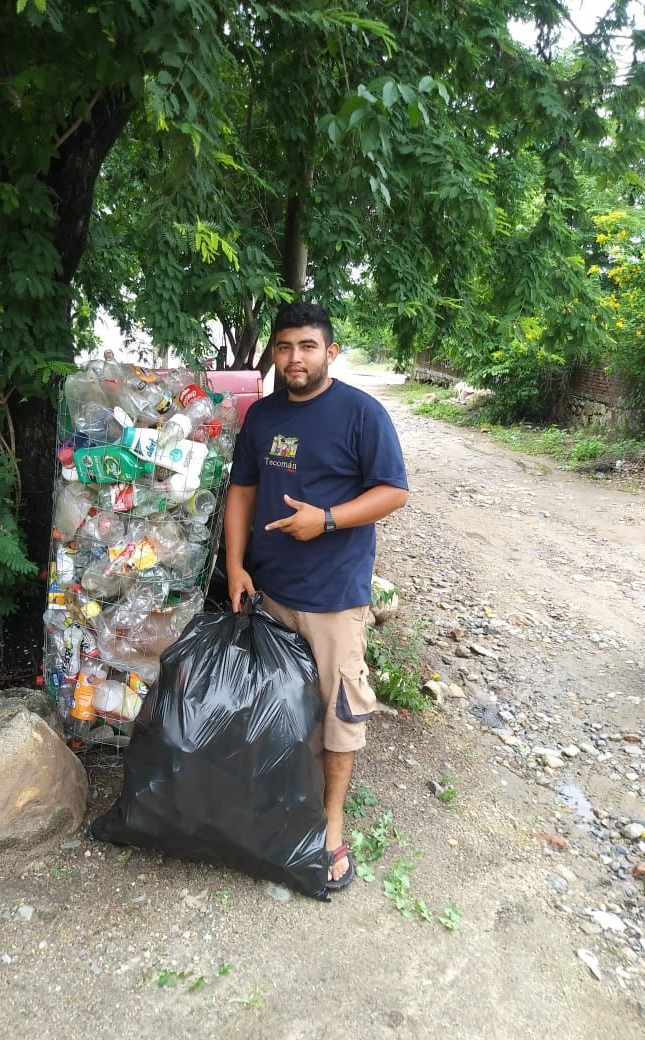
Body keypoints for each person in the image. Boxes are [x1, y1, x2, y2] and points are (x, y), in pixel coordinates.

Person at [223, 301, 408, 891]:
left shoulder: (361, 413)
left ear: (330, 351)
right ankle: (281, 803)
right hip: (270, 591)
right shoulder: (262, 417)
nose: (294, 358)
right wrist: (234, 566)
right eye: (284, 348)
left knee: (337, 715)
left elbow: (393, 493)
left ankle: (330, 827)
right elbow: (242, 492)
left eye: (307, 346)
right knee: (278, 707)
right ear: (273, 354)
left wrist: (326, 520)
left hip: (332, 597)